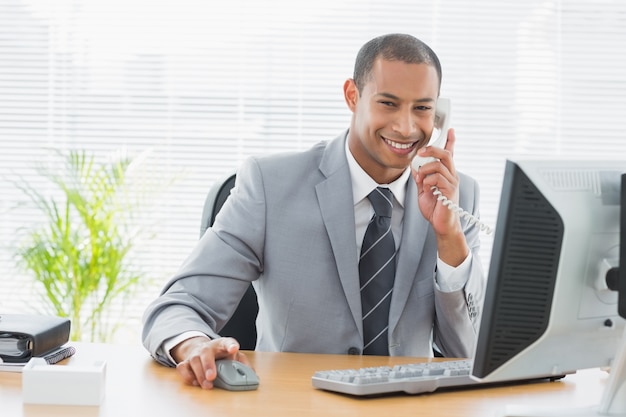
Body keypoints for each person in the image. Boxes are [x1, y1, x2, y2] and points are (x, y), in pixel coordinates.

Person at [142, 33, 486, 390]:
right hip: (294, 403)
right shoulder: (270, 185)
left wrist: (450, 238)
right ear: (353, 96)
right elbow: (176, 307)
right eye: (388, 103)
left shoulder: (456, 196)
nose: (406, 127)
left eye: (422, 108)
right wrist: (195, 345)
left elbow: (470, 350)